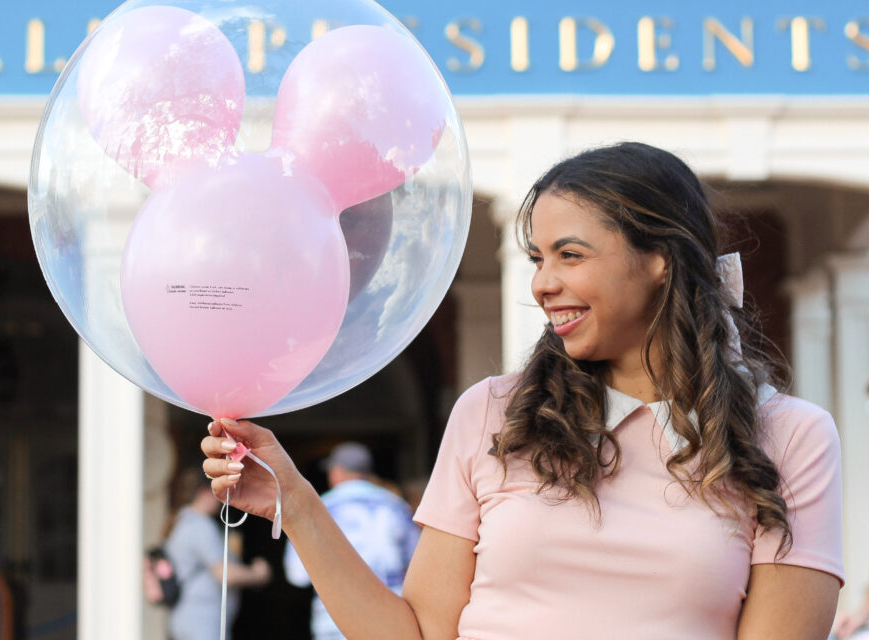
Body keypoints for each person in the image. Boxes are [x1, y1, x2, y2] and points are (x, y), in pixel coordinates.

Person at [201, 141, 844, 640]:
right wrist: (297, 501)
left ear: (660, 261)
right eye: (537, 259)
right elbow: (418, 633)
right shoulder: (492, 414)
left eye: (570, 255)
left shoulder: (789, 437)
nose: (541, 283)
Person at [283, 442, 420, 640]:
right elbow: (417, 565)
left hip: (335, 622)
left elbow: (297, 575)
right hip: (391, 620)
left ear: (337, 472)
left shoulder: (320, 507)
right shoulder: (396, 505)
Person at [163, 467, 271, 640]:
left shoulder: (181, 522)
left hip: (184, 619)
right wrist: (258, 574)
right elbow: (225, 574)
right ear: (205, 492)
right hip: (202, 620)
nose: (222, 499)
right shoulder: (201, 526)